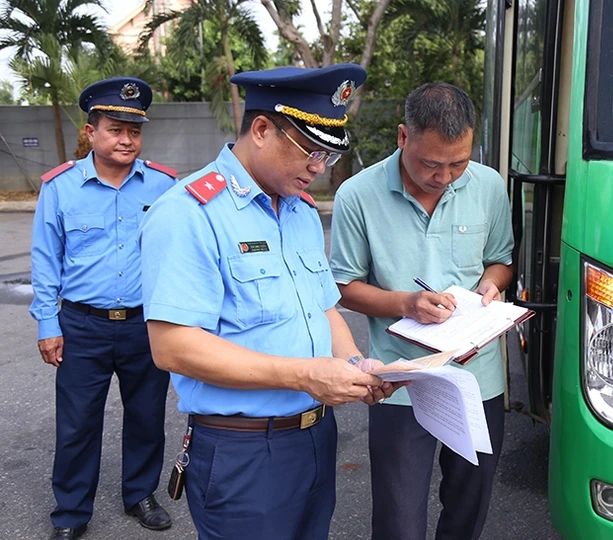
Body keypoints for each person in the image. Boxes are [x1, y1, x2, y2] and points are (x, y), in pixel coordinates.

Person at [138, 63, 399, 540]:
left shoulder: (298, 211)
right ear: (261, 129)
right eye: (311, 150)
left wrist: (357, 364)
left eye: (329, 152)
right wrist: (303, 374)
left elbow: (323, 308)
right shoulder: (189, 213)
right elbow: (172, 347)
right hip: (243, 451)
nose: (320, 167)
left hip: (316, 437)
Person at [329, 82, 515, 540]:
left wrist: (491, 285)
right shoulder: (358, 195)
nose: (446, 176)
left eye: (458, 162)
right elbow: (343, 287)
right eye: (432, 163)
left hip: (479, 378)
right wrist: (405, 303)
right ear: (402, 138)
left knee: (469, 505)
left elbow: (501, 260)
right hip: (401, 379)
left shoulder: (489, 185)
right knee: (398, 516)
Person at [30, 77, 176, 540]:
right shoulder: (61, 187)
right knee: (76, 425)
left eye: (134, 131)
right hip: (82, 325)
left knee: (148, 417)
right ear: (91, 132)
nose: (126, 139)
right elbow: (44, 259)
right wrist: (47, 324)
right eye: (115, 129)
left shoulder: (165, 185)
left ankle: (140, 494)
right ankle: (71, 513)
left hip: (145, 325)